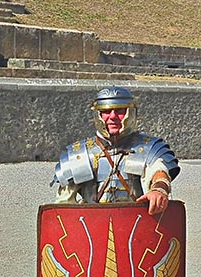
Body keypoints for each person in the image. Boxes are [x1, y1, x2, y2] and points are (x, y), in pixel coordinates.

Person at [52, 86, 179, 215]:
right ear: (97, 115)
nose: (112, 117)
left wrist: (158, 190)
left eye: (120, 111)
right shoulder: (78, 154)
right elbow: (62, 208)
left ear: (131, 113)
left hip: (138, 225)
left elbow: (159, 171)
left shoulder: (149, 148)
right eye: (106, 111)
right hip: (92, 228)